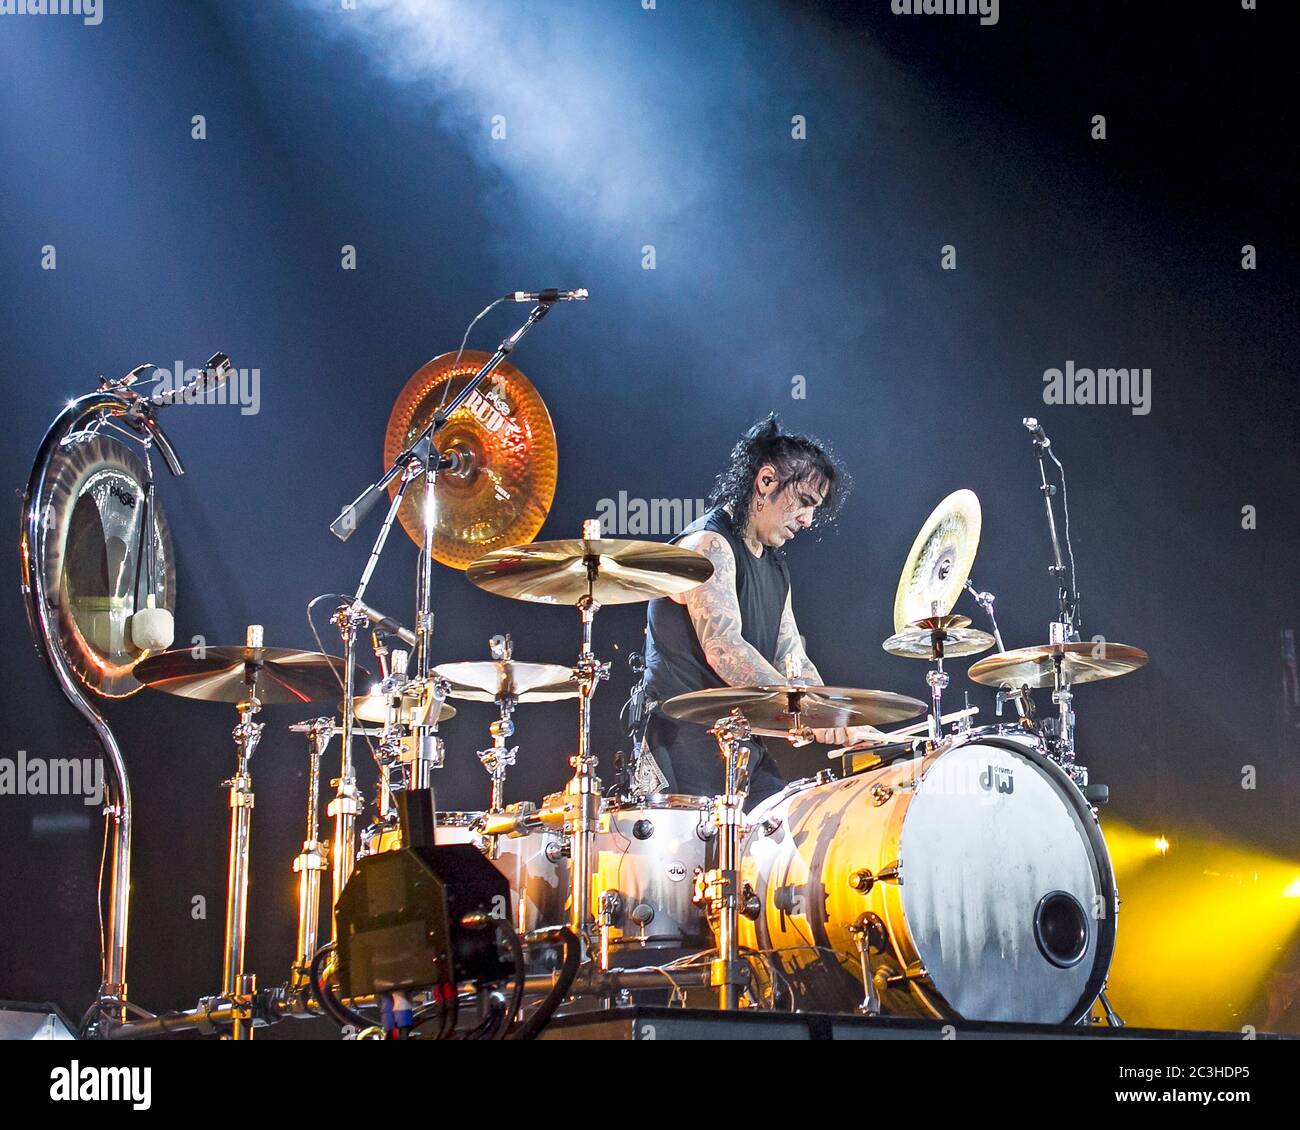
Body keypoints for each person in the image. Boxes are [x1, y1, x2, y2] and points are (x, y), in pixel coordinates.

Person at [642, 413, 859, 808]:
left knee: (781, 839)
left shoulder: (776, 566)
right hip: (682, 743)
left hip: (739, 743)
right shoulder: (709, 544)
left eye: (815, 509)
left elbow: (791, 655)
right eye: (804, 502)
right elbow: (724, 648)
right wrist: (806, 712)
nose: (809, 520)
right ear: (766, 481)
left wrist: (836, 715)